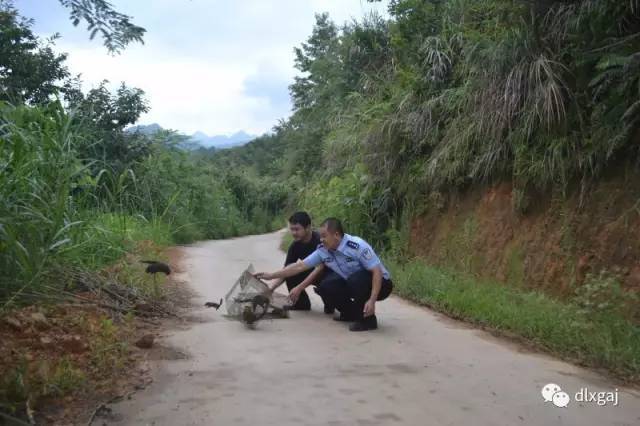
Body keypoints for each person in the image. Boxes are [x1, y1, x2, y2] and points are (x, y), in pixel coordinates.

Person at [256, 218, 393, 332]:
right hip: (355, 283)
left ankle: (369, 320)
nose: (321, 239)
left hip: (381, 285)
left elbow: (377, 271)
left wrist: (372, 300)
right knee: (327, 286)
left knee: (355, 279)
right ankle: (350, 314)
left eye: (324, 236)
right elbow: (300, 266)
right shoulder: (323, 251)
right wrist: (271, 275)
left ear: (337, 235)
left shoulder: (357, 246)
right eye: (320, 236)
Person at [267, 211, 332, 312]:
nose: (293, 233)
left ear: (308, 227)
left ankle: (329, 301)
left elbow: (320, 269)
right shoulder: (295, 246)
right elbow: (286, 271)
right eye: (292, 229)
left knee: (329, 306)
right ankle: (301, 304)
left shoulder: (320, 241)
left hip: (326, 274)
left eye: (297, 229)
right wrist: (271, 289)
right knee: (290, 272)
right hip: (310, 271)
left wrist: (299, 287)